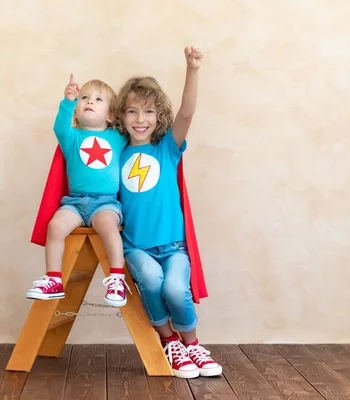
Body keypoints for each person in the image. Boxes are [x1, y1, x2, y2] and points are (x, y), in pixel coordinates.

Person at [114, 46, 222, 378]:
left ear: (159, 116)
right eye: (132, 112)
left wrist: (192, 69)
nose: (140, 120)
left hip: (173, 246)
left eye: (148, 112)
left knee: (175, 289)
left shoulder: (167, 149)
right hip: (136, 247)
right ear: (121, 117)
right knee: (150, 279)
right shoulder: (115, 154)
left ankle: (192, 345)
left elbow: (187, 114)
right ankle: (168, 340)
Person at [26, 74, 130, 307]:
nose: (90, 102)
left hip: (105, 202)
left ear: (111, 114)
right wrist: (68, 101)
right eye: (85, 98)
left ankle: (116, 278)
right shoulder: (72, 137)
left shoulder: (117, 137)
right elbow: (59, 127)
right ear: (76, 111)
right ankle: (53, 279)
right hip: (74, 202)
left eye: (98, 99)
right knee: (55, 226)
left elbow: (136, 129)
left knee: (108, 225)